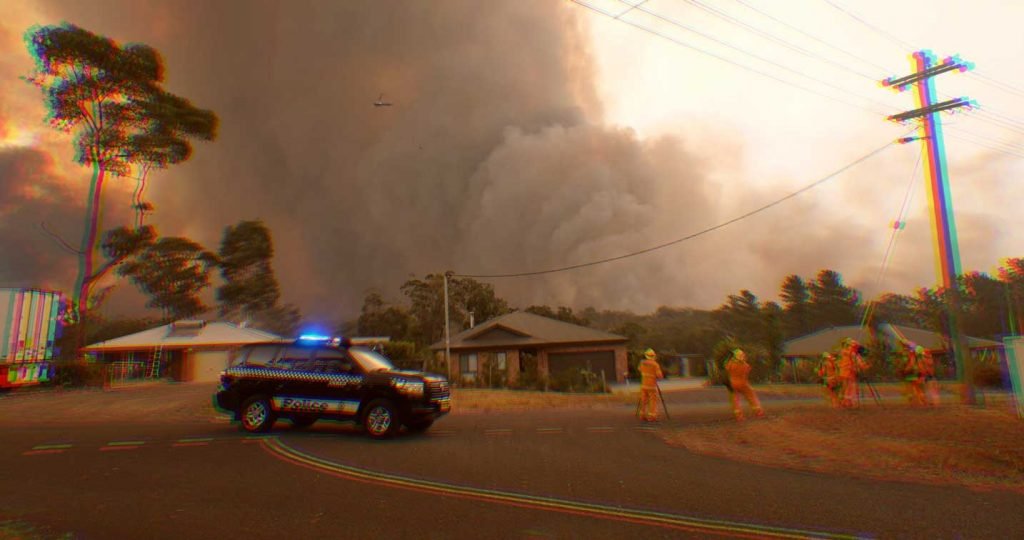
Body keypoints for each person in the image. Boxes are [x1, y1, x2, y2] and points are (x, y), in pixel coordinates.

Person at [725, 348, 764, 421]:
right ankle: (758, 412)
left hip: (733, 383)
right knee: (751, 397)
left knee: (735, 400)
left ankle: (739, 416)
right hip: (743, 383)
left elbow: (726, 367)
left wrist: (730, 358)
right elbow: (748, 369)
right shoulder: (745, 365)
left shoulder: (730, 363)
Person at [838, 339, 870, 408]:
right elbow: (859, 362)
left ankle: (845, 401)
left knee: (846, 387)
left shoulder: (844, 352)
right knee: (850, 387)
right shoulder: (852, 353)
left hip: (843, 371)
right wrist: (865, 366)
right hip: (849, 371)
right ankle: (848, 402)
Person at [638, 348, 664, 422]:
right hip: (651, 386)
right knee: (653, 401)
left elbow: (639, 369)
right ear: (653, 356)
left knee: (643, 400)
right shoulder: (655, 365)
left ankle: (642, 415)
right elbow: (659, 375)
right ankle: (652, 416)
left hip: (643, 385)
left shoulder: (642, 363)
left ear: (646, 355)